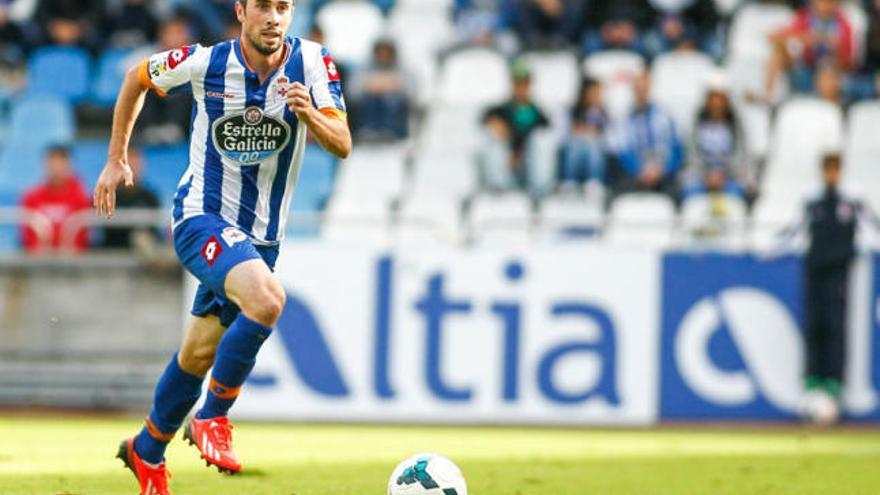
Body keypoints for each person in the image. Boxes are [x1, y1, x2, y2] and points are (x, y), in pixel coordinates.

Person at [93, 1, 351, 494]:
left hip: (260, 238)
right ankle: (212, 417)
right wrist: (115, 159)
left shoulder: (314, 64)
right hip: (200, 218)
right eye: (263, 6)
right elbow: (135, 77)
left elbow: (342, 142)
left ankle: (146, 448)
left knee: (198, 352)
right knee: (268, 300)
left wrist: (310, 114)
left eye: (283, 6)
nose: (273, 17)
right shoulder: (206, 62)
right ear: (241, 11)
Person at [783, 154, 880, 423]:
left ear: (841, 171)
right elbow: (794, 230)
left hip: (839, 270)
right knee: (814, 326)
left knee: (836, 327)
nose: (831, 175)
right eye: (828, 170)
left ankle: (834, 387)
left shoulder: (852, 200)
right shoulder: (813, 200)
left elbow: (873, 226)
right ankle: (813, 385)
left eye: (835, 170)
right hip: (815, 268)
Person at [478, 59, 554, 198]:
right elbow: (485, 118)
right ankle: (498, 188)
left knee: (541, 141)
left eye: (524, 82)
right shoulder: (501, 110)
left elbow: (541, 134)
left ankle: (539, 191)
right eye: (517, 82)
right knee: (492, 138)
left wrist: (518, 152)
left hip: (527, 164)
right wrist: (496, 124)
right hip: (506, 163)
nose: (521, 87)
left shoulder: (538, 113)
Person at [609, 70, 682, 199]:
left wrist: (663, 170)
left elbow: (677, 147)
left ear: (649, 89)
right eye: (638, 88)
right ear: (633, 90)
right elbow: (621, 151)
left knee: (677, 193)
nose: (641, 93)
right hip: (636, 175)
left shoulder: (665, 115)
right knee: (615, 194)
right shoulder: (625, 119)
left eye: (644, 88)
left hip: (663, 173)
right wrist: (639, 171)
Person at [766, 0, 855, 99]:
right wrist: (805, 38)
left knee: (827, 74)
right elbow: (775, 37)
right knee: (778, 52)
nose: (823, 5)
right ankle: (768, 98)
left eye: (828, 2)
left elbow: (848, 65)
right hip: (807, 72)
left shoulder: (843, 25)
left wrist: (837, 49)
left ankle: (829, 109)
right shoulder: (806, 18)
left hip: (830, 75)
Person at [683, 80, 752, 199]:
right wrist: (707, 175)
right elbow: (692, 154)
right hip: (702, 177)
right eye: (713, 98)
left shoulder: (736, 125)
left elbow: (741, 156)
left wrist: (722, 175)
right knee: (690, 192)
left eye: (720, 99)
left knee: (737, 193)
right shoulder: (697, 122)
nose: (716, 103)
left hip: (729, 177)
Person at [20, 145, 91, 254]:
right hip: (38, 261)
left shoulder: (82, 197)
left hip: (72, 262)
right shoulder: (31, 197)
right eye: (52, 161)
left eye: (61, 161)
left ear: (69, 164)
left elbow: (83, 236)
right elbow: (27, 234)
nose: (56, 167)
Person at [98, 147, 161, 249]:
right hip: (114, 250)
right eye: (129, 162)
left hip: (144, 254)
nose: (133, 167)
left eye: (136, 162)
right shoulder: (108, 194)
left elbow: (154, 230)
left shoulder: (150, 196)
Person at [352, 38, 413, 141]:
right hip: (368, 102)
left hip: (395, 103)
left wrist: (393, 87)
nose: (383, 56)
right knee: (371, 100)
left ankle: (390, 131)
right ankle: (369, 131)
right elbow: (353, 91)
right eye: (380, 53)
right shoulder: (364, 69)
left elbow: (412, 92)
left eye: (387, 53)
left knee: (390, 100)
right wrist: (369, 87)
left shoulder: (403, 69)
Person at [559, 77, 609, 194]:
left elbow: (611, 139)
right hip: (576, 151)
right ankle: (570, 181)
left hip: (595, 154)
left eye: (598, 92)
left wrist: (592, 133)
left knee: (593, 142)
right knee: (576, 142)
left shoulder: (604, 114)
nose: (596, 95)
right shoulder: (572, 112)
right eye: (593, 92)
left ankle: (594, 180)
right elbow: (563, 135)